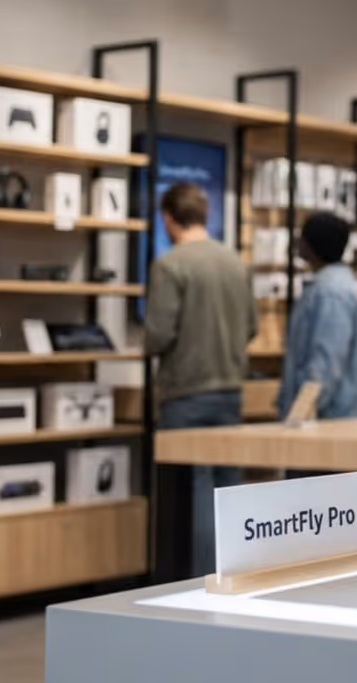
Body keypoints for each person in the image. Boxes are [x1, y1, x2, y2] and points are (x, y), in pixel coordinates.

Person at [144, 181, 257, 578]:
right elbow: (251, 326)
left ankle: (193, 582)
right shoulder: (235, 263)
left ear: (168, 219)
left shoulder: (170, 265)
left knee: (188, 494)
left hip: (185, 392)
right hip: (229, 389)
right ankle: (229, 576)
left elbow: (158, 334)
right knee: (226, 492)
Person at [276, 211, 357, 422]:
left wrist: (300, 414)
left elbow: (326, 363)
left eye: (303, 236)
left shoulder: (331, 293)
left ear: (313, 244)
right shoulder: (327, 288)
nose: (298, 242)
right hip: (326, 420)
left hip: (327, 422)